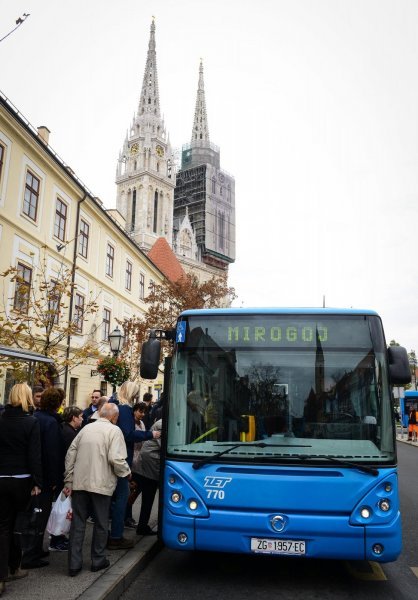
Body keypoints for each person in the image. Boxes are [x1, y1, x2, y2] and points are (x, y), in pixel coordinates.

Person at [64, 403, 131, 577]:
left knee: (78, 523)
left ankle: (74, 564)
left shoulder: (85, 429)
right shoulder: (114, 431)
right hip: (101, 484)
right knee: (101, 523)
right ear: (114, 417)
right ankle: (98, 560)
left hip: (80, 482)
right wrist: (126, 472)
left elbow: (70, 454)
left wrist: (69, 480)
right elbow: (116, 458)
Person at [0, 383, 42, 596]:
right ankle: (14, 566)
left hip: (1, 478)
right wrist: (38, 482)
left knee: (3, 526)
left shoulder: (1, 418)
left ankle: (2, 576)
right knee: (18, 525)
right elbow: (34, 455)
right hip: (22, 480)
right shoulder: (31, 422)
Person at [107, 382, 160, 549]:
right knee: (121, 499)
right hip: (122, 459)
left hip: (118, 458)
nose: (137, 396)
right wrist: (150, 434)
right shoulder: (124, 410)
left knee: (116, 498)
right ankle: (116, 536)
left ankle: (112, 534)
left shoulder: (117, 407)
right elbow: (128, 434)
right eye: (136, 393)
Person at [22, 387, 66, 566]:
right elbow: (53, 453)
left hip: (34, 473)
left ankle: (36, 549)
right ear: (57, 404)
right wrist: (55, 480)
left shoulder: (36, 418)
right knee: (40, 515)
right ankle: (31, 554)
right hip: (46, 478)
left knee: (35, 514)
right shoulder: (51, 423)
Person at [136, 419, 162, 536]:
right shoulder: (163, 424)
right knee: (148, 496)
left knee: (147, 496)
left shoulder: (165, 421)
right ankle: (142, 527)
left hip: (150, 462)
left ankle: (142, 526)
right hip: (150, 463)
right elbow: (165, 446)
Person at [124, 401, 147, 528]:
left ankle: (128, 516)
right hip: (131, 459)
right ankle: (127, 517)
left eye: (144, 412)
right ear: (134, 411)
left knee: (134, 489)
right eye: (140, 411)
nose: (142, 414)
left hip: (139, 460)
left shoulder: (141, 423)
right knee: (131, 490)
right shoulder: (131, 423)